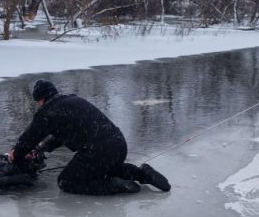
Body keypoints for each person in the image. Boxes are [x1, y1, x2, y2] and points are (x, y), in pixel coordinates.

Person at [9, 79, 171, 195]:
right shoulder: (73, 100)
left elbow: (28, 138)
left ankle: (116, 187)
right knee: (107, 169)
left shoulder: (48, 112)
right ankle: (143, 174)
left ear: (41, 99)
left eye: (38, 102)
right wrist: (41, 148)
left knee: (67, 182)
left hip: (97, 150)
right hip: (118, 144)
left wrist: (16, 155)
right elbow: (63, 133)